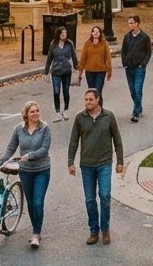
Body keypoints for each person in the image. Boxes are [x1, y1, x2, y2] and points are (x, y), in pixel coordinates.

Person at [67, 88, 124, 245]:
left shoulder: (109, 117)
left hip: (104, 163)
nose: (87, 102)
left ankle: (105, 229)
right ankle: (94, 230)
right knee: (90, 199)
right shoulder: (80, 118)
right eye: (86, 99)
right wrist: (70, 162)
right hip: (87, 165)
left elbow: (117, 140)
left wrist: (120, 161)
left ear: (98, 100)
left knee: (105, 195)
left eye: (90, 99)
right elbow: (73, 141)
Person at [0, 101, 52, 248]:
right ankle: (35, 228)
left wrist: (30, 155)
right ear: (26, 114)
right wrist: (1, 161)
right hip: (25, 171)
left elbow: (45, 149)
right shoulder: (18, 129)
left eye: (37, 111)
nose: (35, 114)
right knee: (30, 203)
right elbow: (11, 148)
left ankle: (36, 233)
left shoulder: (45, 128)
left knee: (38, 202)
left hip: (42, 170)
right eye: (32, 112)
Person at [120, 14, 152, 123]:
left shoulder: (144, 38)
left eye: (132, 23)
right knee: (132, 91)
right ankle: (139, 106)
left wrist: (143, 64)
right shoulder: (127, 37)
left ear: (137, 23)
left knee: (138, 89)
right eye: (129, 23)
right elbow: (123, 51)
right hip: (129, 67)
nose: (130, 25)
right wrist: (124, 62)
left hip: (139, 68)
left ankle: (136, 112)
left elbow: (148, 53)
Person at [44, 26, 79, 121]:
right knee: (56, 92)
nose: (64, 35)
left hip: (66, 71)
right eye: (62, 33)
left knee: (66, 91)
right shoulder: (53, 44)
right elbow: (49, 58)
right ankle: (58, 112)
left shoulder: (69, 43)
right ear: (58, 34)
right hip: (56, 71)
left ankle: (66, 110)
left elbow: (74, 55)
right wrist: (46, 71)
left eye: (65, 33)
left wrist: (77, 67)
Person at [77, 25, 112, 105]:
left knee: (98, 91)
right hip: (89, 71)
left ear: (100, 33)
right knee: (92, 92)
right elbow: (83, 58)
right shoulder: (87, 44)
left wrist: (109, 72)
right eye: (94, 31)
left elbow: (108, 58)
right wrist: (80, 71)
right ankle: (93, 108)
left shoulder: (104, 44)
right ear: (91, 33)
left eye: (97, 32)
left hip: (101, 71)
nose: (95, 33)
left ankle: (100, 109)